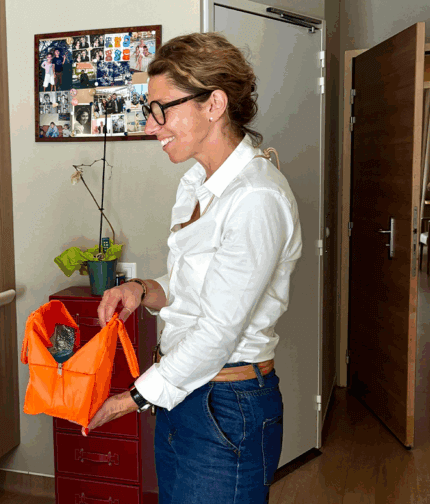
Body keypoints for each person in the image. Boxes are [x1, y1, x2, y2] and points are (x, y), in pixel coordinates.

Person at [86, 32, 302, 504]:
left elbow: (220, 330)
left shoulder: (256, 199)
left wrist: (133, 398)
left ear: (214, 104)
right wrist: (142, 290)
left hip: (227, 405)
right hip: (185, 394)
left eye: (162, 108)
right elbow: (193, 289)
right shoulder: (195, 185)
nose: (151, 125)